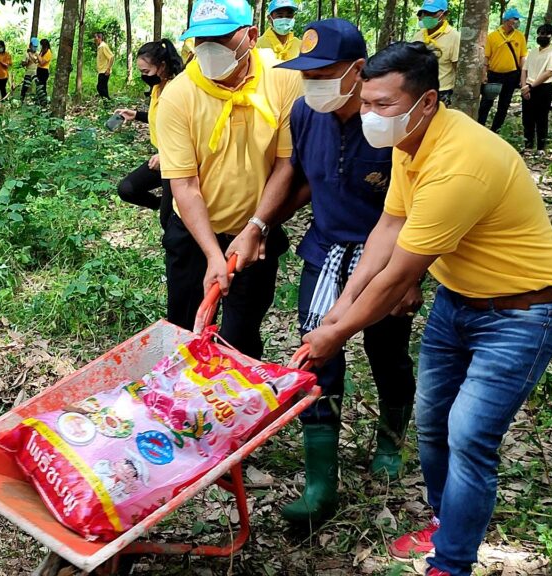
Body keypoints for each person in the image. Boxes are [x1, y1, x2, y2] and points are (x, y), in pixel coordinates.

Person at [302, 42, 552, 576]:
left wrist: (337, 333)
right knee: (433, 424)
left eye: (383, 104)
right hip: (457, 301)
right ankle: (445, 522)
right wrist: (341, 305)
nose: (370, 115)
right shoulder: (409, 144)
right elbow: (388, 227)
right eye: (366, 102)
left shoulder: (459, 164)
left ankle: (451, 563)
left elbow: (398, 276)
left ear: (426, 101)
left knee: (469, 435)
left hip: (522, 312)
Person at [228, 18, 419, 525]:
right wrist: (259, 225)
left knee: (386, 351)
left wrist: (411, 278)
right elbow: (298, 171)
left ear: (358, 70)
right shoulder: (306, 112)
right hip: (325, 250)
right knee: (316, 353)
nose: (311, 84)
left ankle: (391, 440)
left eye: (323, 74)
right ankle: (321, 484)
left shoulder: (390, 122)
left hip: (388, 257)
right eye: (305, 75)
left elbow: (423, 205)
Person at [155, 0, 304, 359]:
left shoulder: (284, 78)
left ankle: (237, 390)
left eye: (221, 39)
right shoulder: (178, 96)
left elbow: (286, 163)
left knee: (241, 335)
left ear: (251, 36)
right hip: (194, 233)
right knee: (185, 327)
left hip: (256, 233)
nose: (209, 49)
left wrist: (257, 227)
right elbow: (185, 185)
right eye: (201, 40)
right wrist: (212, 254)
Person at [113, 40, 185, 228]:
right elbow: (160, 118)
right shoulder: (157, 87)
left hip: (177, 160)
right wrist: (136, 115)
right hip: (162, 158)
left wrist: (166, 154)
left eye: (146, 72)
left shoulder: (177, 90)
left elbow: (189, 129)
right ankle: (168, 207)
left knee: (166, 222)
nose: (144, 76)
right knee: (127, 189)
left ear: (162, 66)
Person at [477, 7, 527, 131]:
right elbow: (486, 57)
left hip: (512, 75)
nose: (517, 21)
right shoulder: (492, 36)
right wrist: (484, 74)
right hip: (494, 75)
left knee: (504, 105)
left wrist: (523, 77)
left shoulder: (520, 36)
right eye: (515, 19)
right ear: (507, 20)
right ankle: (479, 128)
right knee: (486, 103)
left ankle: (495, 130)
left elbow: (522, 57)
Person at [410, 0, 459, 105]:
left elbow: (457, 68)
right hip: (419, 89)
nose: (427, 17)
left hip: (442, 91)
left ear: (444, 14)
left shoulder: (454, 37)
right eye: (425, 13)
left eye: (432, 13)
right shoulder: (418, 35)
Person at [520, 24, 552, 153]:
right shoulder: (533, 52)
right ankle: (528, 145)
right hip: (527, 87)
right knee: (527, 118)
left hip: (543, 88)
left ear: (551, 36)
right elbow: (524, 69)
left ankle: (541, 147)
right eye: (541, 33)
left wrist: (531, 86)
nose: (542, 36)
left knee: (541, 118)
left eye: (546, 34)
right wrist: (524, 87)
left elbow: (549, 72)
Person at [95, 32, 116, 100]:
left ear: (99, 38)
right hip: (101, 70)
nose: (94, 39)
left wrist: (108, 69)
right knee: (103, 88)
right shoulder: (100, 47)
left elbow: (111, 57)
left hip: (104, 71)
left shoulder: (103, 46)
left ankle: (107, 101)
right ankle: (107, 102)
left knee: (100, 87)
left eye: (95, 37)